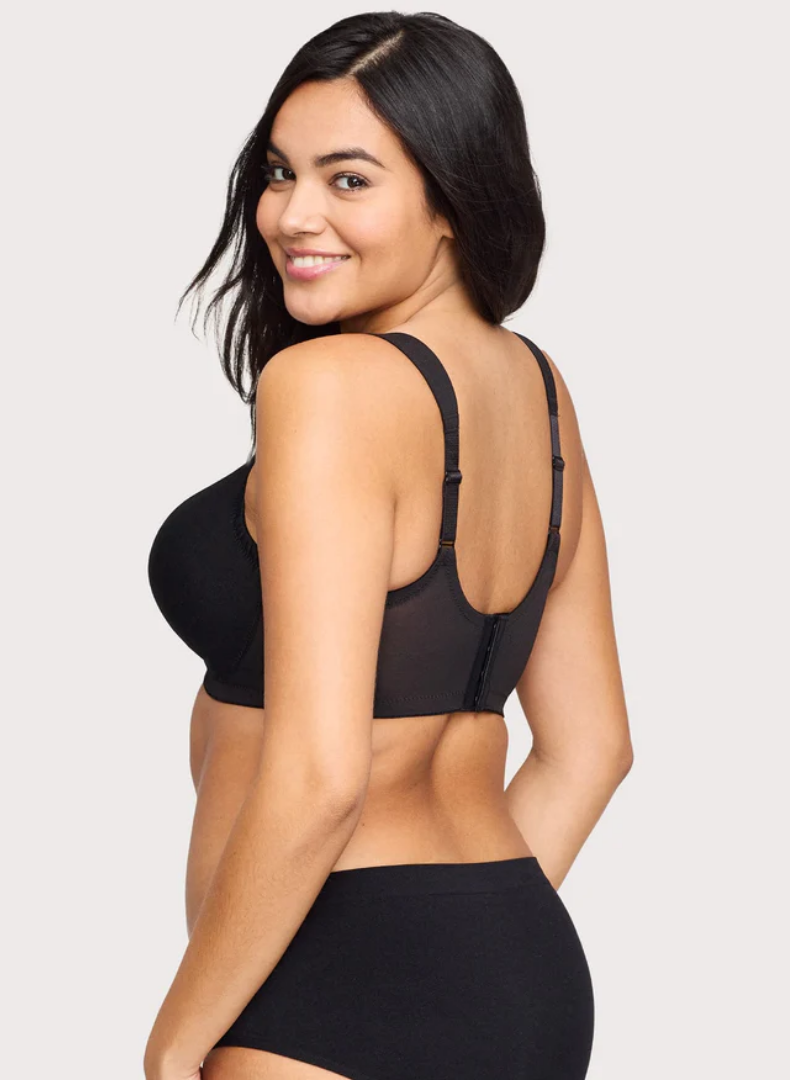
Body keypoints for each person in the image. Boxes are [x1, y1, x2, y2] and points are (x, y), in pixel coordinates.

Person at [144, 11, 633, 1080]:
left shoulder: (324, 388)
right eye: (281, 172)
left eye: (349, 180)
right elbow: (591, 747)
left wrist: (176, 1043)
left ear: (452, 199)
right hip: (519, 966)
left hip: (325, 984)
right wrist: (459, 947)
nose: (292, 215)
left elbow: (323, 774)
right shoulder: (538, 390)